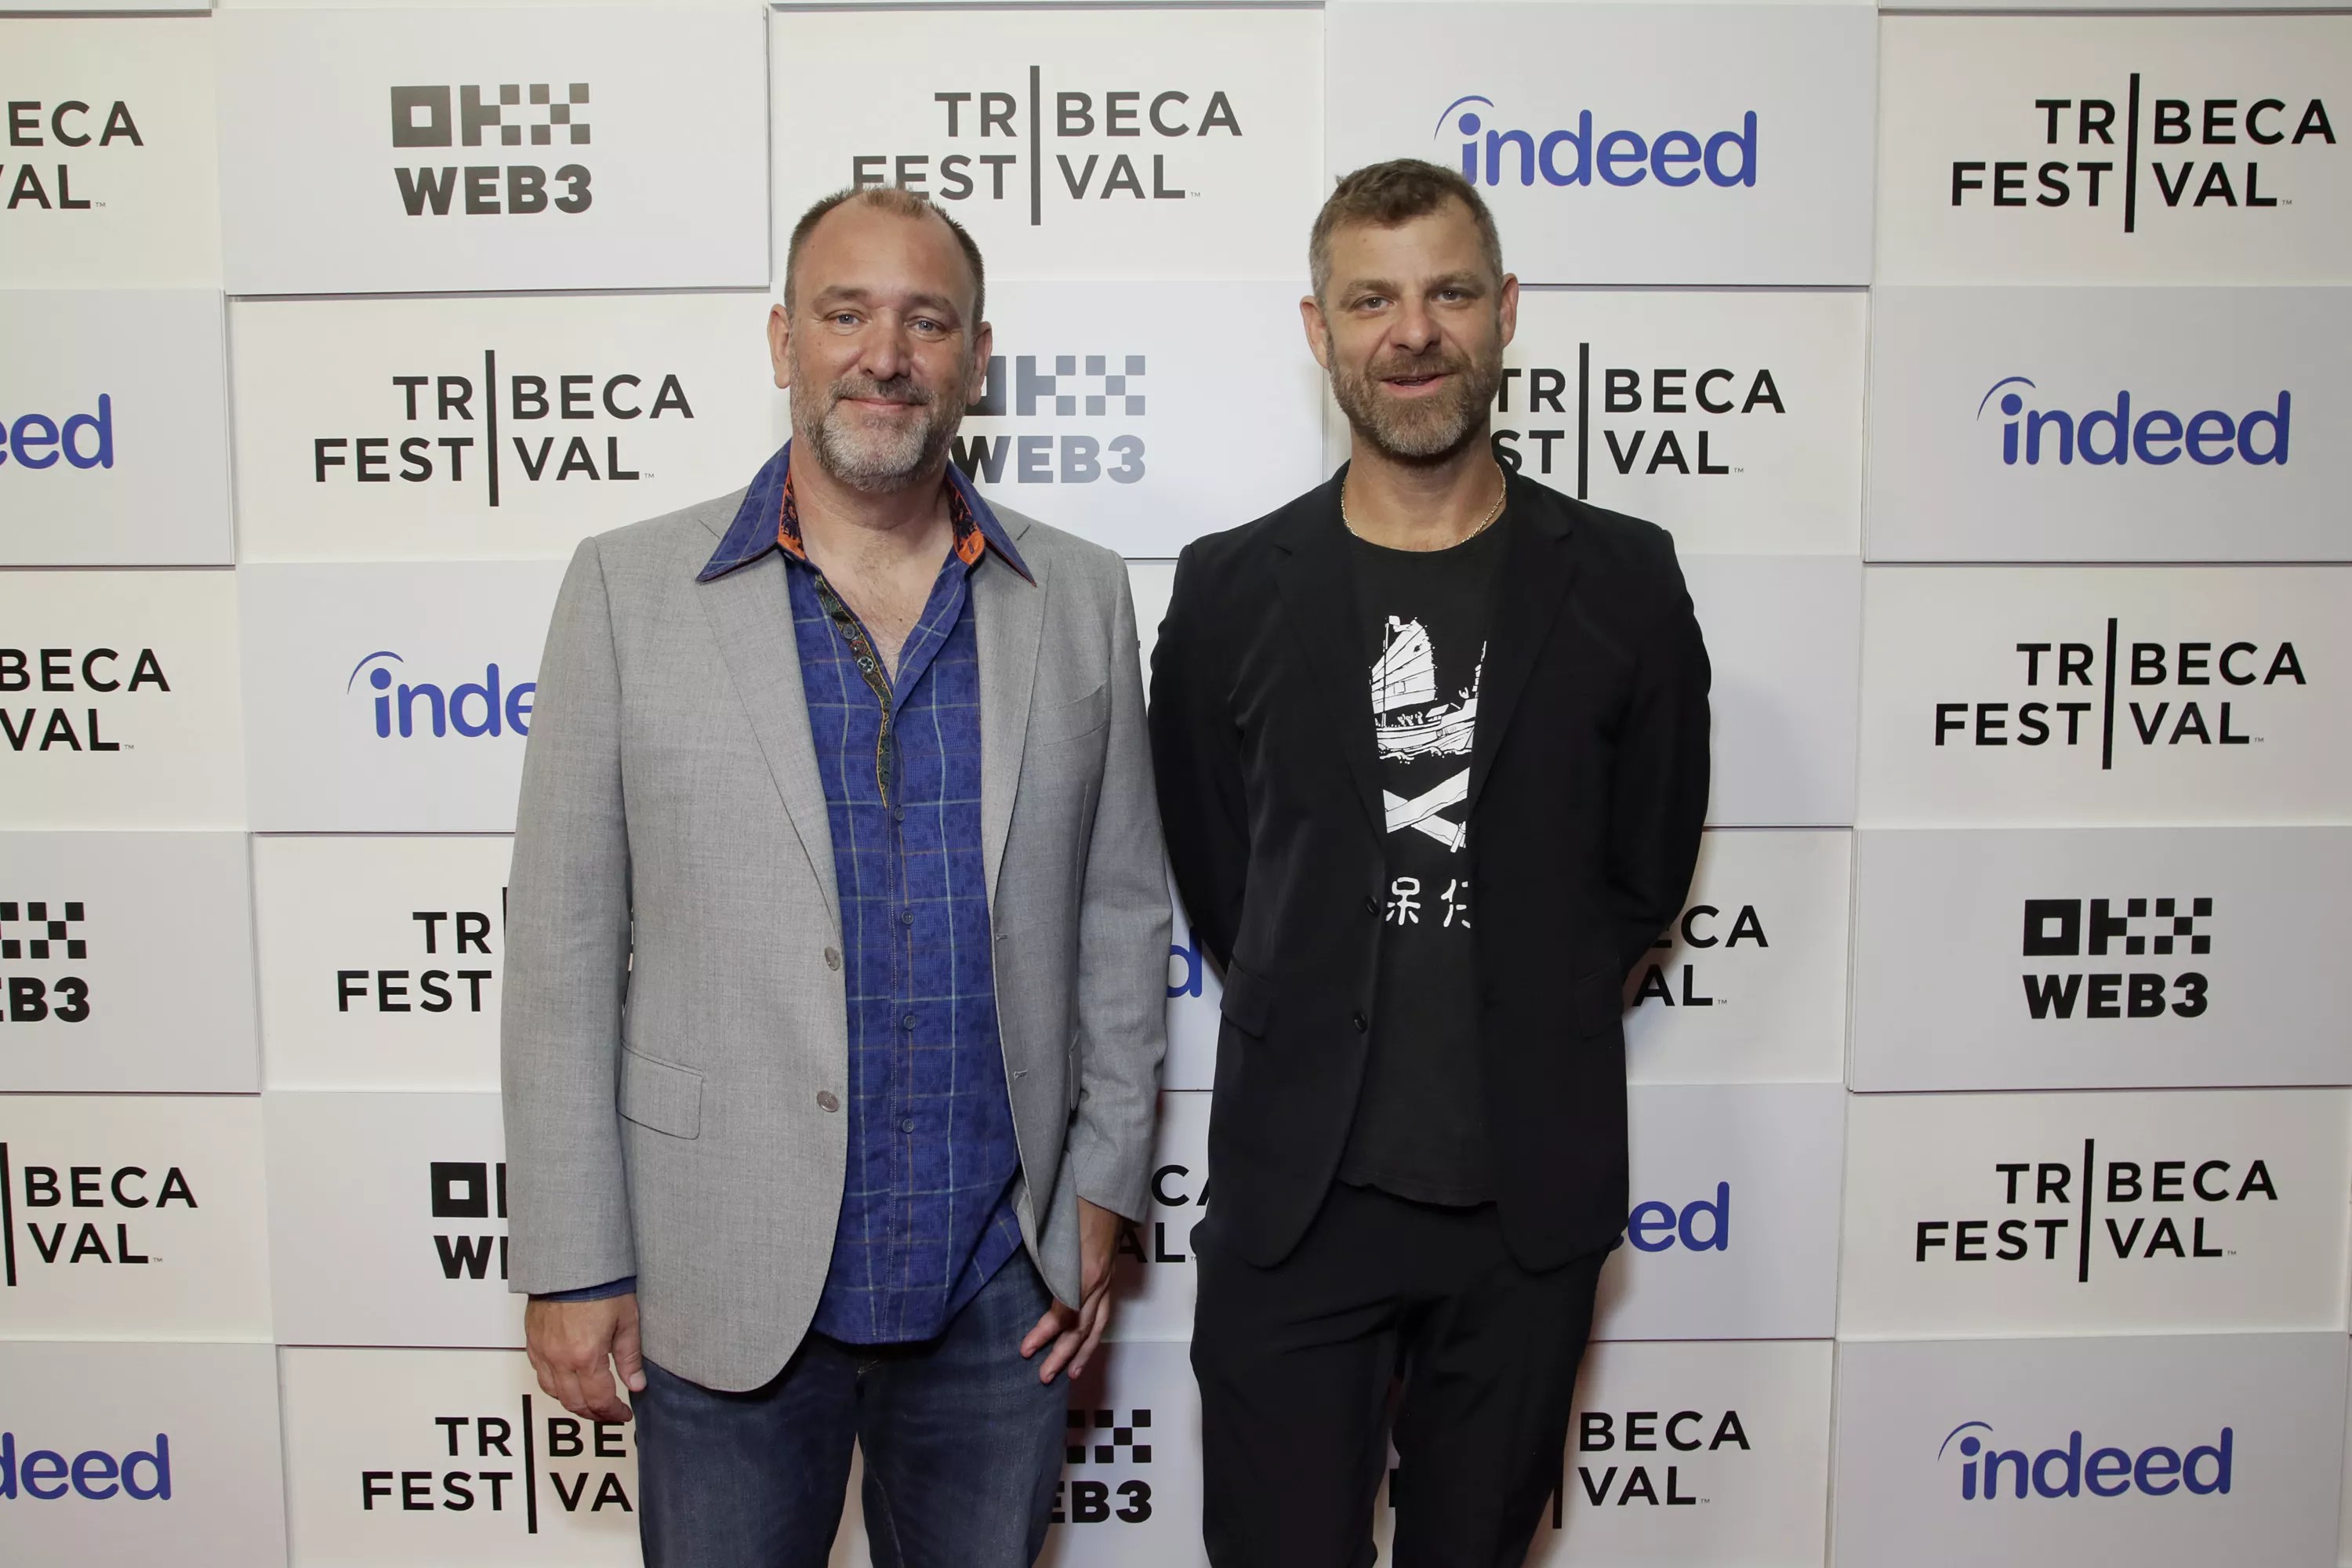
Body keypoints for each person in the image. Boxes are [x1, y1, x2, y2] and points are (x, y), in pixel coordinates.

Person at [502, 185, 1168, 1568]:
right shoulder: (627, 591)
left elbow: (1120, 914)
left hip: (1000, 1284)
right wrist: (572, 1258)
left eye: (927, 320)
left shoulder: (1082, 594)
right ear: (782, 340)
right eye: (846, 313)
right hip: (718, 1277)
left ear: (977, 357)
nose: (885, 354)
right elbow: (561, 956)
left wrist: (1103, 1191)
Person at [1149, 158, 1711, 1567]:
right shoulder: (1228, 589)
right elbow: (1221, 874)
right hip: (1297, 1211)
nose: (1413, 332)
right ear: (1319, 329)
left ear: (1506, 310)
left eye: (1449, 293)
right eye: (1372, 300)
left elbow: (1643, 872)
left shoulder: (1626, 579)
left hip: (1527, 1214)